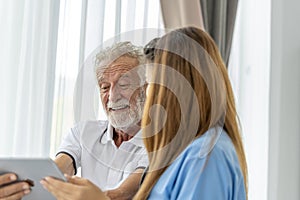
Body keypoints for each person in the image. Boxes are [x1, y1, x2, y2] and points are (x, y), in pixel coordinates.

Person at [41, 26, 248, 200]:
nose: (150, 97)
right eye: (105, 87)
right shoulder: (192, 150)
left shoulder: (203, 155)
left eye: (153, 86)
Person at [0, 41, 148, 200]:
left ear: (146, 90)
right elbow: (58, 171)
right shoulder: (84, 132)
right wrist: (21, 187)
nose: (113, 96)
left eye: (124, 84)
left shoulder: (160, 143)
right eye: (105, 87)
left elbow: (122, 194)